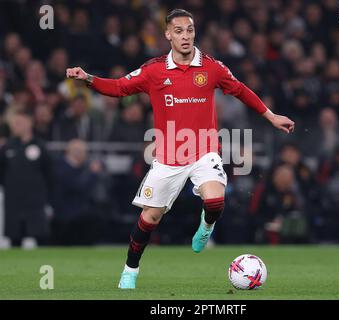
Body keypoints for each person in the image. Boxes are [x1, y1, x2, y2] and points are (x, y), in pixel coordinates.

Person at [66, 9, 295, 289]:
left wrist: (271, 116)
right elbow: (118, 87)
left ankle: (206, 226)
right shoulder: (154, 70)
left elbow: (241, 90)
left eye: (189, 30)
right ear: (167, 35)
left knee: (214, 202)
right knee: (149, 218)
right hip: (168, 158)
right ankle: (130, 271)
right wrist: (88, 78)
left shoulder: (212, 67)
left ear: (194, 32)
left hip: (204, 151)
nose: (185, 36)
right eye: (178, 31)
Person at [0, 111, 53, 248]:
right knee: (14, 238)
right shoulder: (7, 147)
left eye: (19, 123)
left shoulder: (40, 146)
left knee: (40, 237)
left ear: (29, 123)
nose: (15, 126)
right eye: (14, 123)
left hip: (35, 201)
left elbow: (49, 173)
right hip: (13, 201)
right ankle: (15, 269)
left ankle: (46, 268)